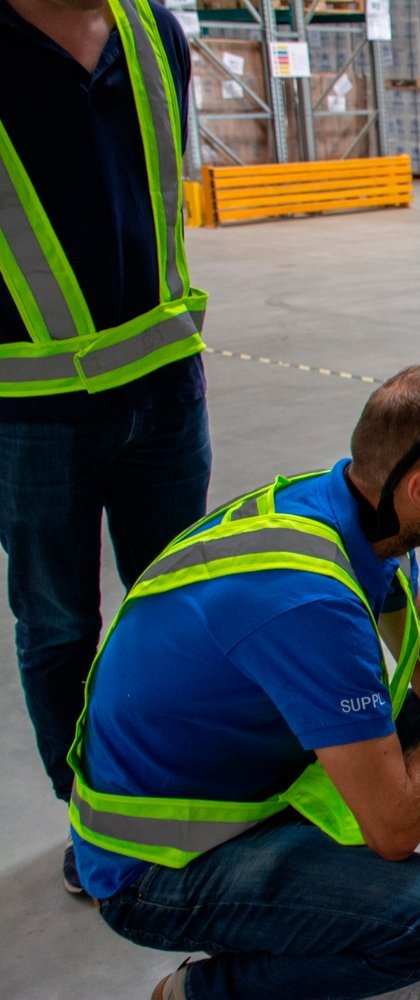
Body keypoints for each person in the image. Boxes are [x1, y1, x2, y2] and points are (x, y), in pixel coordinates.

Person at [67, 366, 420, 999]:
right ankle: (198, 992)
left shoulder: (360, 508)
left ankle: (300, 892)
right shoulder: (310, 598)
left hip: (237, 785)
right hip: (155, 866)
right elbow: (395, 833)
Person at [0, 0, 212, 897]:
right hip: (31, 408)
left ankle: (181, 795)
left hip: (164, 385)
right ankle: (96, 822)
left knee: (177, 604)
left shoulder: (151, 31)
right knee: (59, 624)